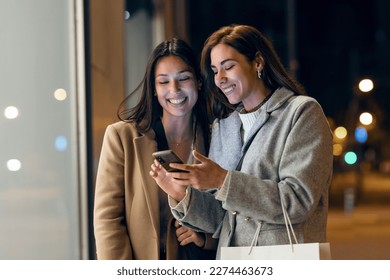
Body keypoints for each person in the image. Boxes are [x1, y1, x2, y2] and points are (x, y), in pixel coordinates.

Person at [150, 24, 333, 259]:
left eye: (228, 67)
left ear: (257, 62)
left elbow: (297, 202)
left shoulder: (301, 113)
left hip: (286, 261)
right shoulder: (223, 127)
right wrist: (182, 194)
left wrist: (223, 179)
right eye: (215, 71)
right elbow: (222, 220)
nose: (220, 79)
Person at [93, 38, 217, 260]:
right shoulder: (122, 137)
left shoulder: (217, 137)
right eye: (164, 82)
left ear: (198, 81)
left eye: (184, 78)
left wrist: (204, 238)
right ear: (153, 88)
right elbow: (108, 219)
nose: (175, 90)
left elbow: (231, 214)